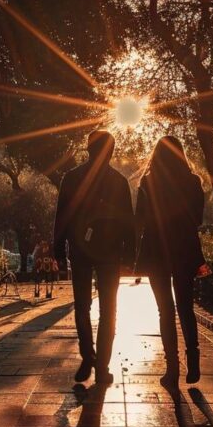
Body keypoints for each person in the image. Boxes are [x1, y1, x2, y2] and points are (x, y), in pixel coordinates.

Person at [54, 130, 135, 384]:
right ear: (110, 151)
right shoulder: (118, 181)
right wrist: (130, 254)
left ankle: (89, 357)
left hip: (80, 250)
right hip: (109, 252)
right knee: (108, 309)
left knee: (83, 306)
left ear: (89, 150)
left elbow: (62, 216)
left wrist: (58, 248)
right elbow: (128, 222)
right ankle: (100, 366)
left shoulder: (71, 178)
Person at [136, 136, 205, 387]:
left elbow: (140, 218)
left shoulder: (148, 181)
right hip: (185, 248)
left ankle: (172, 368)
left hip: (156, 250)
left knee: (164, 310)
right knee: (186, 307)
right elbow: (198, 218)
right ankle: (194, 360)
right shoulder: (193, 182)